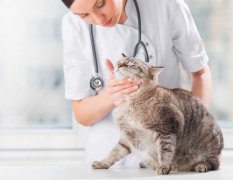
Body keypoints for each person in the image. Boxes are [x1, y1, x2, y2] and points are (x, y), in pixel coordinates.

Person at [61, 0, 212, 168]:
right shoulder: (72, 24)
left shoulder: (166, 5)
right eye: (84, 15)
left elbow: (200, 73)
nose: (98, 19)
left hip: (167, 154)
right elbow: (81, 114)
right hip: (107, 161)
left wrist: (196, 134)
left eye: (100, 4)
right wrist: (111, 97)